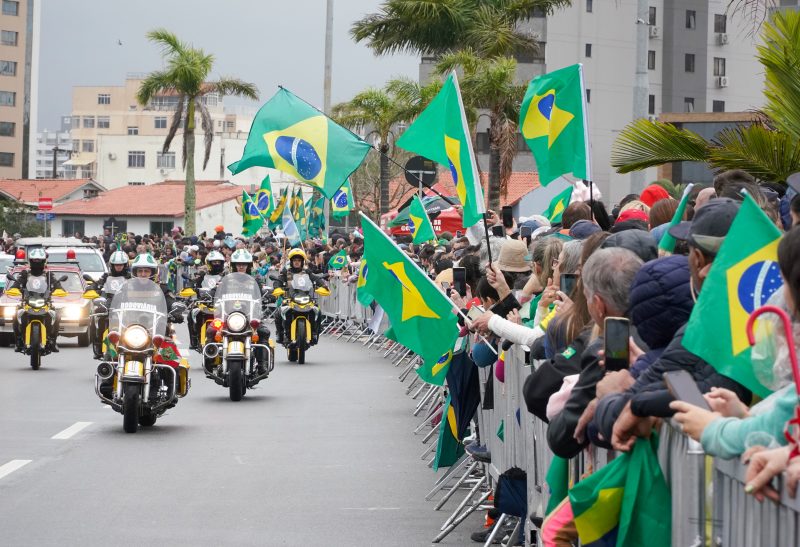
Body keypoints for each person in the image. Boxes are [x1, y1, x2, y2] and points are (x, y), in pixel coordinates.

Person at [9, 248, 64, 354]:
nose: (37, 262)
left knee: (57, 315)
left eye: (39, 260)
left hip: (44, 302)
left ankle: (53, 340)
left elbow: (56, 284)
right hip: (28, 302)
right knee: (15, 314)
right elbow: (17, 283)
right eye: (35, 260)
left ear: (44, 261)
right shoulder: (25, 273)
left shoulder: (48, 275)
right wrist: (14, 288)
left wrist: (59, 289)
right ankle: (19, 340)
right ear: (30, 261)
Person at [274, 248, 325, 345]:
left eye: (299, 260)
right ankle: (280, 334)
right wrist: (277, 287)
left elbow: (315, 278)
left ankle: (315, 332)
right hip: (290, 299)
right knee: (279, 312)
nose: (297, 262)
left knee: (317, 310)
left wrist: (323, 285)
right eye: (294, 260)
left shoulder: (307, 271)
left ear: (302, 262)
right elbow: (278, 280)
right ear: (291, 261)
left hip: (306, 298)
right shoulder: (286, 271)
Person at [89, 250, 131, 359]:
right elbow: (97, 284)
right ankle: (98, 346)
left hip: (127, 303)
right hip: (109, 303)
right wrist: (91, 288)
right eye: (116, 265)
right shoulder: (106, 276)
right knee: (98, 316)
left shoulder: (130, 277)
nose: (118, 267)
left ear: (125, 265)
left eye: (121, 265)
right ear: (112, 265)